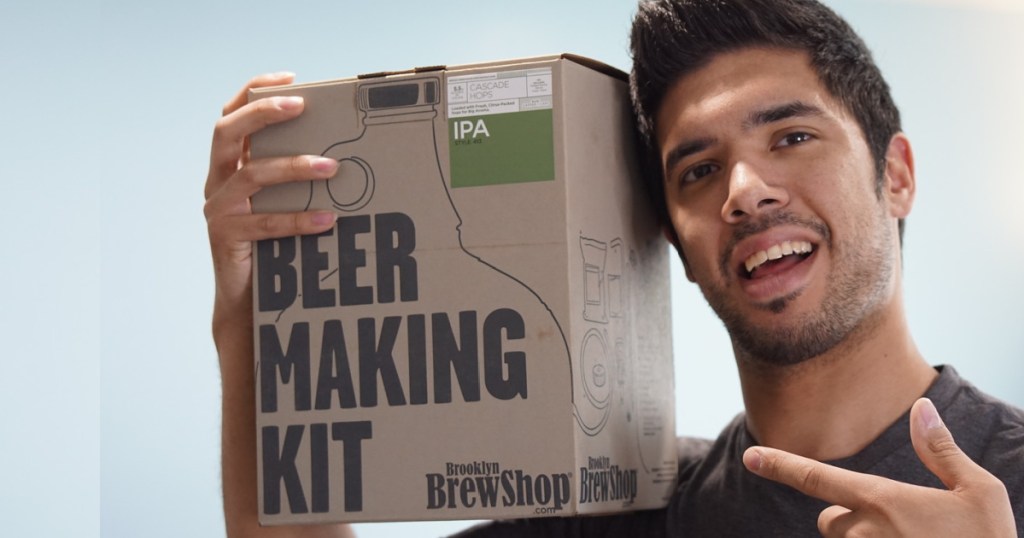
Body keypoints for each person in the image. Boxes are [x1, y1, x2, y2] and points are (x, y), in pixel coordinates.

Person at [204, 0, 1024, 536]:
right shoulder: (609, 509)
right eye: (697, 169)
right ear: (671, 243)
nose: (744, 192)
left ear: (897, 175)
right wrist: (251, 321)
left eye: (791, 137)